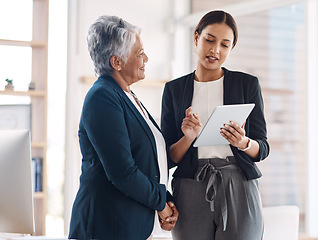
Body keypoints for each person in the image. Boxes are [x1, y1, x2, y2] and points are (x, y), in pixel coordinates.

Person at [161, 10, 270, 240]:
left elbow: (262, 148)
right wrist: (188, 137)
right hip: (190, 184)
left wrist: (243, 142)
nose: (215, 50)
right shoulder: (174, 90)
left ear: (231, 48)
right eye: (209, 40)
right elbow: (169, 156)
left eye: (224, 44)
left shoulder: (247, 84)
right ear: (196, 37)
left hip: (238, 182)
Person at [68, 15, 178, 240]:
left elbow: (146, 160)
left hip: (127, 225)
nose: (146, 58)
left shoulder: (126, 95)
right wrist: (160, 203)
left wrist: (164, 198)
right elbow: (123, 172)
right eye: (139, 53)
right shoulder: (102, 97)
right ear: (116, 62)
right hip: (104, 226)